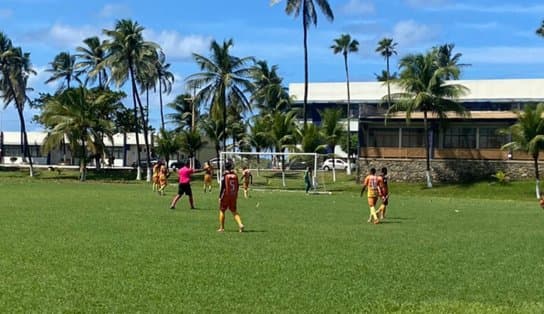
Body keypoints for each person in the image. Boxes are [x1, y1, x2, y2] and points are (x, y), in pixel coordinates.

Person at [218, 159, 244, 232]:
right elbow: (237, 186)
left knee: (222, 210)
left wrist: (220, 197)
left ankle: (222, 228)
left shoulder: (225, 175)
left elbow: (223, 187)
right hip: (233, 195)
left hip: (226, 195)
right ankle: (240, 224)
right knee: (234, 211)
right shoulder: (235, 175)